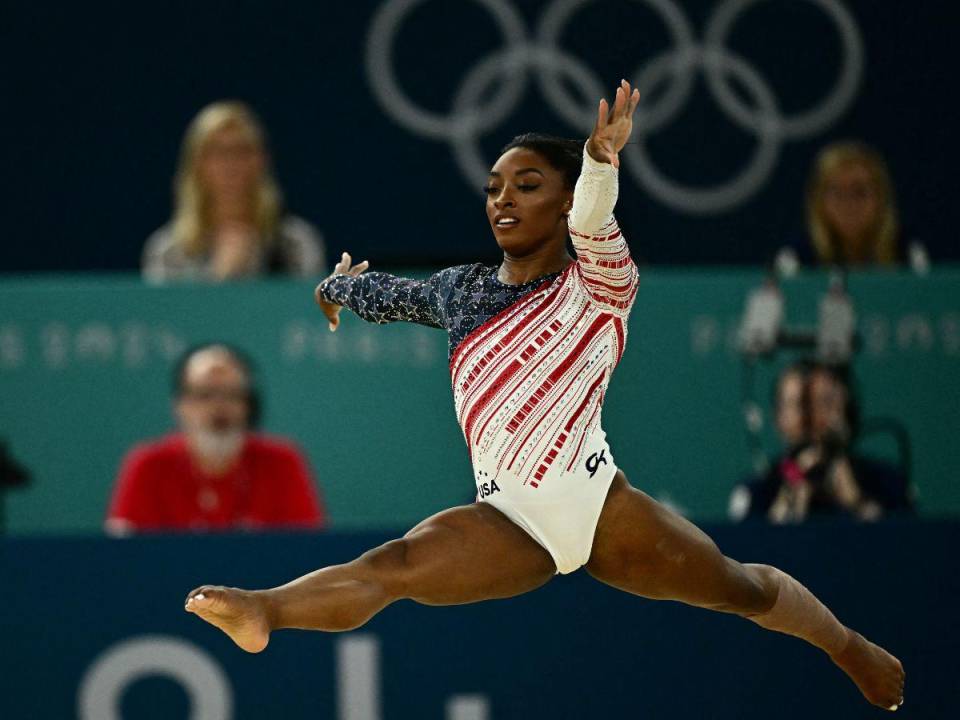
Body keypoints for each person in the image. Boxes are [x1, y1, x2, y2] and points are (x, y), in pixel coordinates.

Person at [185, 82, 904, 712]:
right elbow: (388, 295)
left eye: (527, 185)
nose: (504, 199)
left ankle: (847, 646)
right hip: (506, 517)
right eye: (495, 186)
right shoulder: (462, 289)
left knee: (743, 590)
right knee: (394, 567)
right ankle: (264, 610)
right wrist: (337, 287)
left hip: (600, 506)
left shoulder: (598, 285)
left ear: (564, 204)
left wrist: (598, 162)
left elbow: (595, 216)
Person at [106, 343, 325, 534]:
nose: (219, 408)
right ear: (180, 406)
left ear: (248, 405)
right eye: (205, 394)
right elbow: (124, 556)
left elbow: (307, 554)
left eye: (232, 395)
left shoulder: (283, 462)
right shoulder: (148, 465)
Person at [142, 101, 326, 282]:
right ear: (197, 164)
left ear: (261, 161)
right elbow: (165, 312)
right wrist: (220, 275)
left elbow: (308, 309)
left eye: (242, 151)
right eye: (218, 152)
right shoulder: (168, 251)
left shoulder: (296, 244)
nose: (231, 164)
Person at [730, 361, 913, 523]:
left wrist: (857, 502)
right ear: (778, 418)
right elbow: (745, 553)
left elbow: (908, 545)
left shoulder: (887, 482)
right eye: (798, 404)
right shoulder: (758, 491)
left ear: (848, 411)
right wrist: (787, 503)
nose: (812, 417)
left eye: (825, 402)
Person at [775, 141, 927, 273]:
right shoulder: (795, 259)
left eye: (859, 192)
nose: (849, 204)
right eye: (837, 193)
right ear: (819, 201)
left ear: (881, 198)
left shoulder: (909, 253)